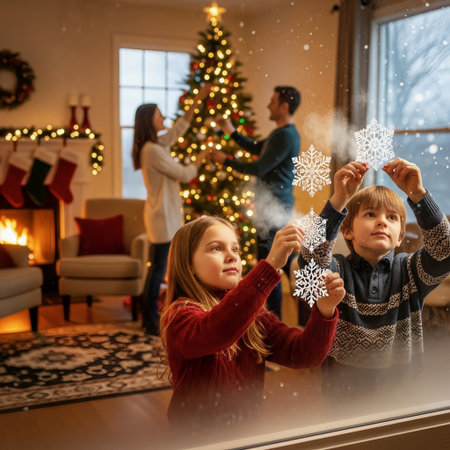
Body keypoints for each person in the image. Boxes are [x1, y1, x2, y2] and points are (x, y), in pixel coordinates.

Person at [160, 215, 345, 437]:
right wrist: (270, 265)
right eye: (216, 248)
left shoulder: (255, 316)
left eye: (236, 250)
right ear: (188, 265)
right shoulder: (179, 315)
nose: (232, 256)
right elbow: (219, 329)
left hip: (246, 433)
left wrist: (324, 310)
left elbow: (304, 354)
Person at [298, 157, 450, 393]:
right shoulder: (338, 269)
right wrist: (339, 200)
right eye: (370, 214)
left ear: (400, 236)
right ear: (347, 230)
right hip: (342, 395)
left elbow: (445, 251)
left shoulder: (410, 271)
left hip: (401, 396)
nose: (382, 221)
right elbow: (309, 262)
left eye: (392, 218)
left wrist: (418, 193)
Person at [211, 86, 301, 319]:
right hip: (276, 207)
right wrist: (229, 129)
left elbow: (259, 167)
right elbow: (255, 148)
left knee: (269, 266)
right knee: (282, 263)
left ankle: (273, 323)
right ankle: (291, 320)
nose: (268, 106)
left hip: (274, 209)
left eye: (272, 102)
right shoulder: (281, 134)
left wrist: (225, 161)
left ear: (284, 106)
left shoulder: (285, 136)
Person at [132, 84, 211, 336]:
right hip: (162, 219)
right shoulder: (153, 150)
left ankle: (150, 318)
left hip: (161, 216)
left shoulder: (155, 145)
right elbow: (184, 174)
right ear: (149, 120)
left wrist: (197, 99)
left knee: (157, 268)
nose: (164, 117)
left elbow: (177, 130)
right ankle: (150, 320)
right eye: (159, 114)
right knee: (158, 270)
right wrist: (201, 157)